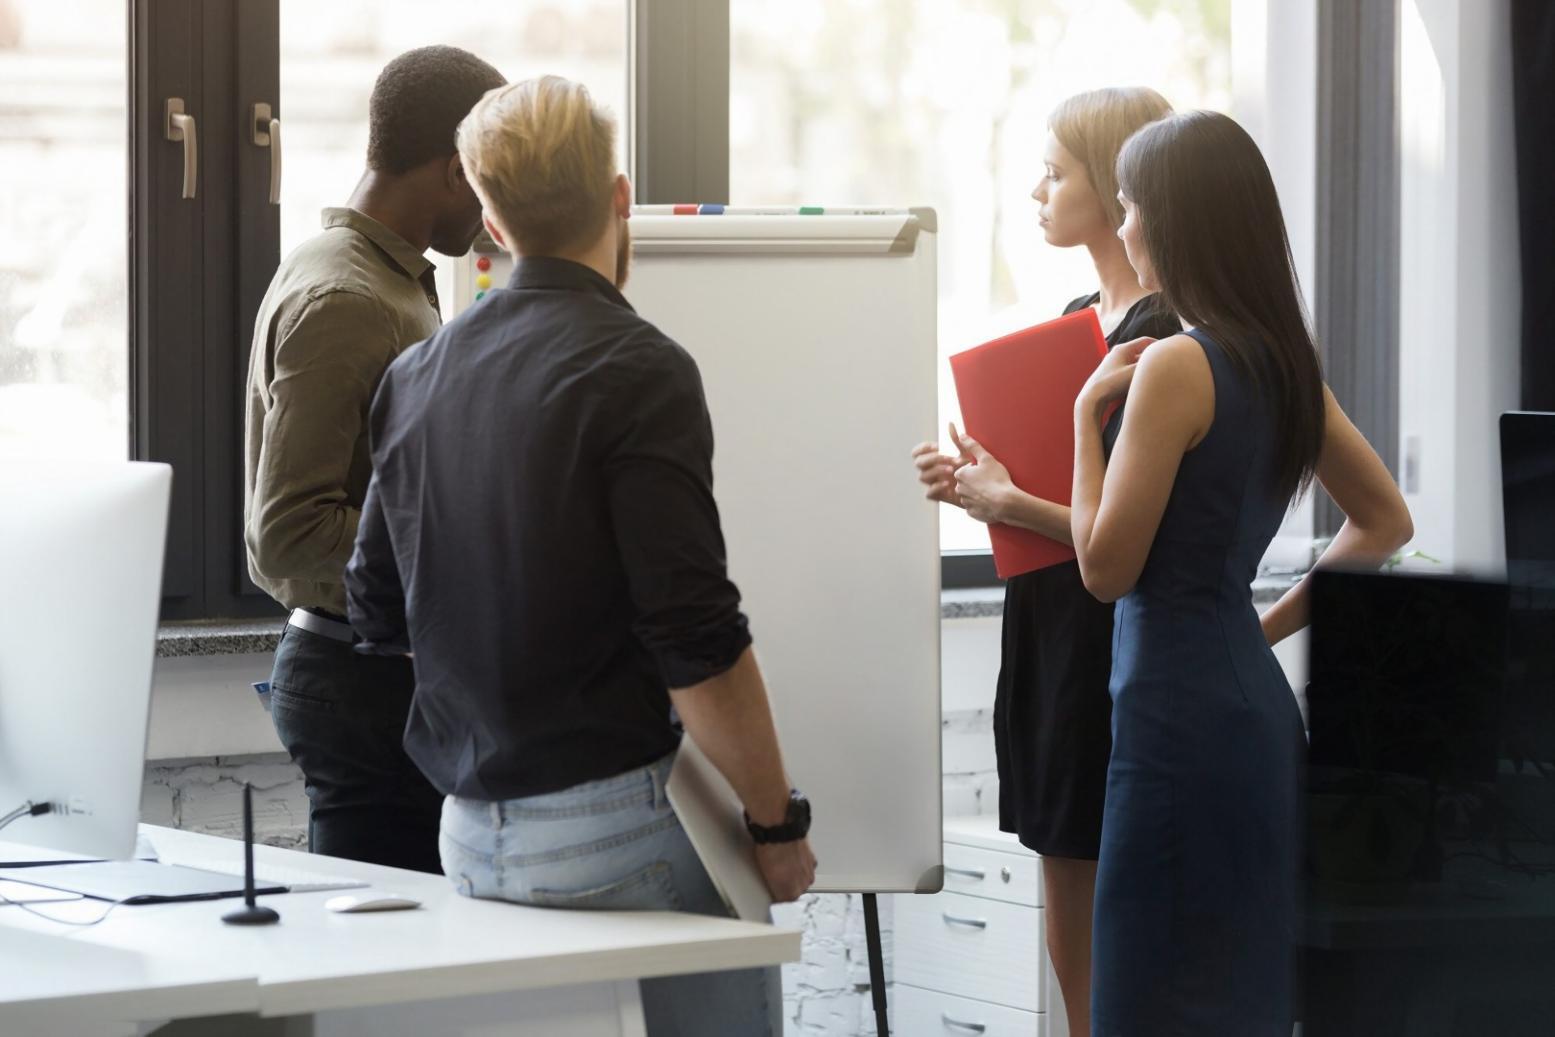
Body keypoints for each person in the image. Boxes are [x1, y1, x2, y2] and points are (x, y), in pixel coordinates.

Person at [344, 75, 817, 1037]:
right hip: (621, 835)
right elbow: (697, 642)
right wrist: (775, 824)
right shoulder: (638, 367)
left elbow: (377, 609)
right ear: (618, 196)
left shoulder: (415, 375)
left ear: (490, 218)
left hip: (471, 841)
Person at [1068, 109, 1413, 1035]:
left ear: (1172, 220)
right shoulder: (1282, 365)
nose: (1122, 225)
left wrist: (1081, 421)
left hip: (1175, 718)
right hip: (1244, 711)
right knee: (1238, 999)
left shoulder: (1176, 365)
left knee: (1148, 999)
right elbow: (1386, 521)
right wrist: (1252, 628)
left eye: (1130, 205)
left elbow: (1104, 569)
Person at [912, 86, 1174, 1037]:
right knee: (1062, 862)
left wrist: (1010, 501)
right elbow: (1074, 489)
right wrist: (983, 480)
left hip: (1109, 625)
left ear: (1114, 190)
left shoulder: (1165, 340)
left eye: (1055, 173)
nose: (1035, 191)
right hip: (1050, 621)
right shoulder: (1076, 317)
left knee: (1108, 879)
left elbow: (1140, 531)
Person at [244, 46, 506, 873]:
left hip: (382, 680)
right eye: (490, 178)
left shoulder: (381, 282)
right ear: (453, 169)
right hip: (363, 688)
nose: (496, 209)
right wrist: (463, 547)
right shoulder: (349, 298)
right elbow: (287, 534)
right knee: (382, 969)